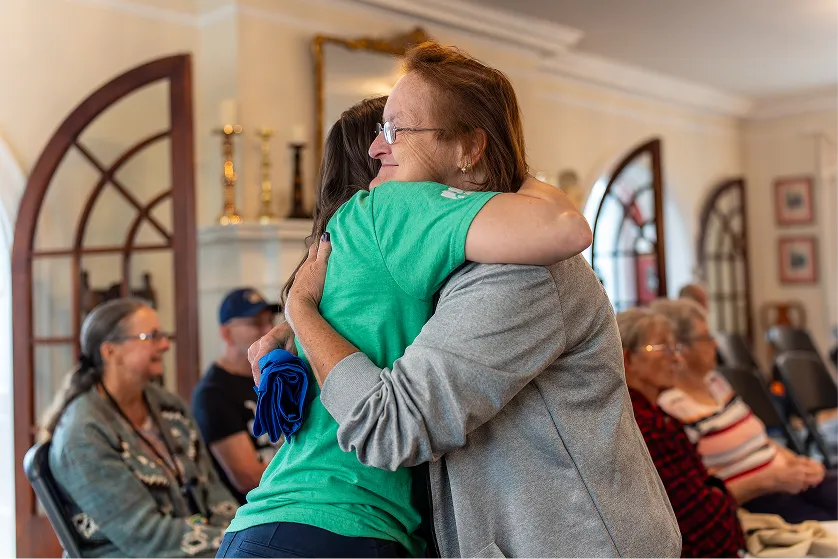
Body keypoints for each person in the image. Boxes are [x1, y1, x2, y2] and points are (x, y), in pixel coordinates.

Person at [249, 43, 681, 559]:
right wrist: (294, 332)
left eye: (396, 131)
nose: (375, 150)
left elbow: (393, 427)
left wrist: (303, 312)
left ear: (468, 149)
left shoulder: (519, 273)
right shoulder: (443, 261)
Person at [42, 298, 238, 558]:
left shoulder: (170, 406)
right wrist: (235, 542)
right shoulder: (82, 433)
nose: (166, 345)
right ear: (110, 351)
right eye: (151, 337)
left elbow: (212, 489)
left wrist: (242, 533)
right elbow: (145, 536)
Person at [652, 298, 838, 523]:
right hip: (757, 498)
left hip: (787, 480)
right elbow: (702, 495)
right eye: (706, 338)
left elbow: (760, 440)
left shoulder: (715, 382)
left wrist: (798, 462)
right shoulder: (672, 407)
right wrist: (771, 480)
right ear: (680, 348)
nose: (716, 345)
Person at [617, 307, 745, 558]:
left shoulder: (659, 416)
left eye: (675, 348)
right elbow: (701, 526)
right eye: (663, 348)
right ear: (627, 360)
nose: (676, 359)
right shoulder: (642, 427)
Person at [192, 287, 282, 504]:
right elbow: (248, 477)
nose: (268, 329)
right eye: (255, 323)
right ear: (226, 333)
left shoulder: (274, 374)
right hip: (250, 513)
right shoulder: (213, 393)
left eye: (270, 320)